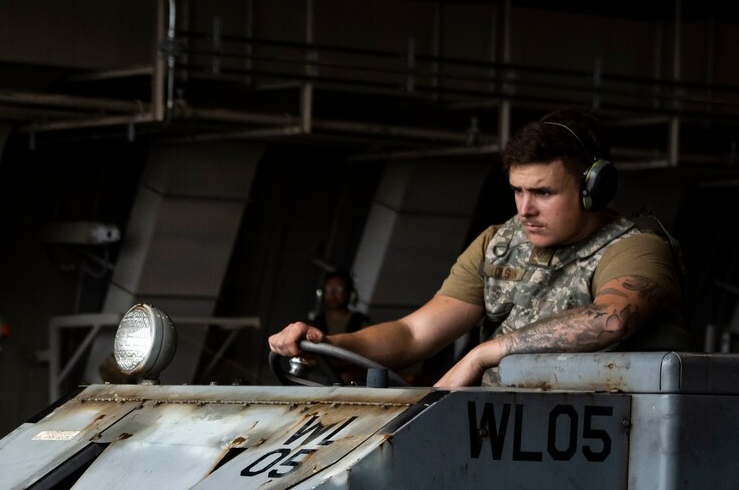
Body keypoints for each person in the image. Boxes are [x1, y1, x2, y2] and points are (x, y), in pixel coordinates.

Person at [269, 110, 692, 388]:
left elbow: (612, 319)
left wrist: (488, 351)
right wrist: (326, 342)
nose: (525, 209)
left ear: (592, 190)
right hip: (501, 433)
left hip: (602, 441)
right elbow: (415, 334)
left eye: (543, 192)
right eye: (518, 191)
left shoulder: (636, 247)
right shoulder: (499, 243)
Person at [305, 270, 369, 337]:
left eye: (339, 289)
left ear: (349, 294)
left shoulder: (361, 323)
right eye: (328, 289)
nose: (332, 294)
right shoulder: (315, 323)